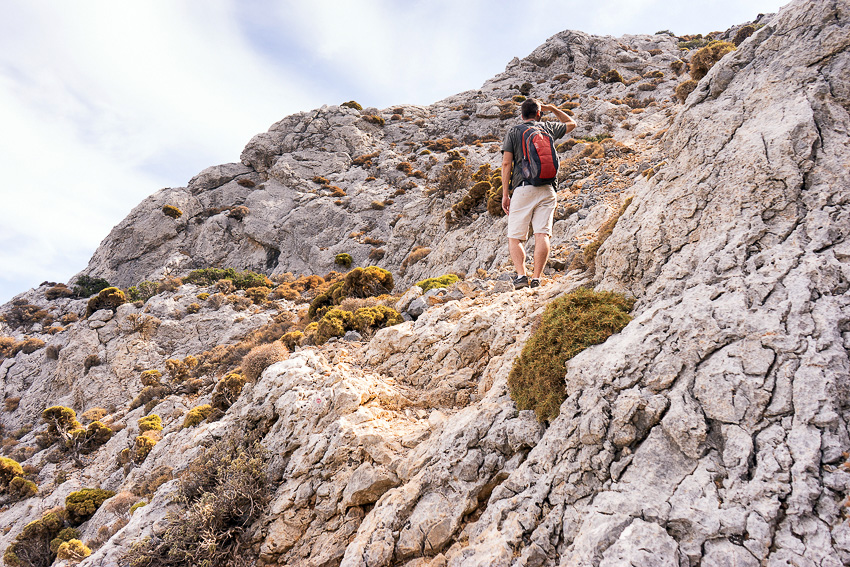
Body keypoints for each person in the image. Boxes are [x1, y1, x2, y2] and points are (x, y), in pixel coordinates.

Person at [501, 98, 576, 289]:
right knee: (542, 234)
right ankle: (537, 278)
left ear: (521, 115)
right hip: (548, 188)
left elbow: (506, 164)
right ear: (539, 114)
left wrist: (505, 194)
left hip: (523, 187)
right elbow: (572, 123)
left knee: (515, 237)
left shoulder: (514, 131)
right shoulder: (547, 128)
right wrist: (553, 108)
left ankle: (521, 276)